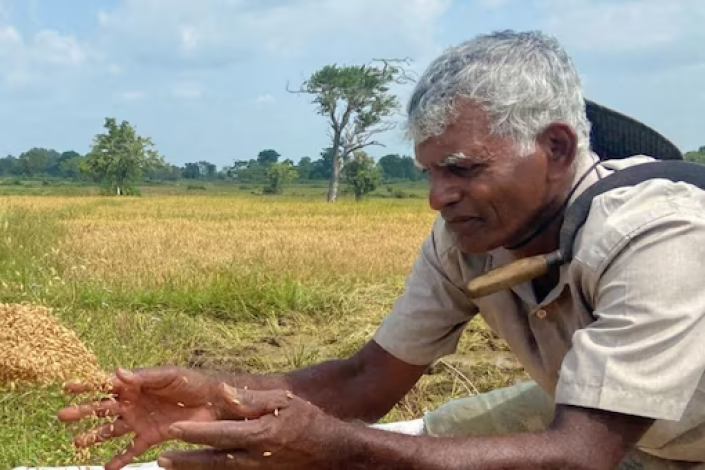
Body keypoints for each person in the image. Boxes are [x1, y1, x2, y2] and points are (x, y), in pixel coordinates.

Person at [56, 30, 705, 470]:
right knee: (438, 438)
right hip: (606, 413)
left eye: (461, 168)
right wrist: (222, 393)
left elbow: (581, 452)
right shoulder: (471, 234)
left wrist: (332, 446)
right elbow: (365, 381)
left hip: (667, 433)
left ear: (557, 148)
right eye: (429, 172)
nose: (436, 197)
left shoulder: (656, 237)